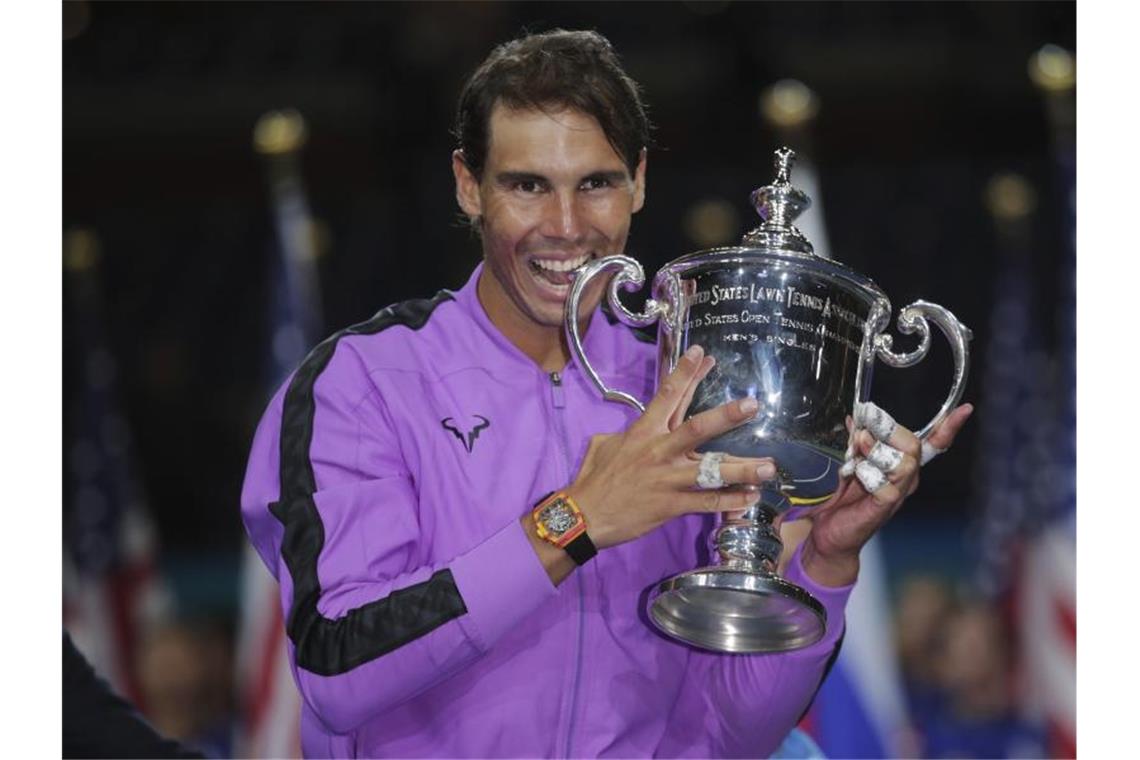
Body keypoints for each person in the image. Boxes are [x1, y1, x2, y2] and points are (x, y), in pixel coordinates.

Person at [241, 29, 973, 757]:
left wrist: (828, 563)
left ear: (640, 181)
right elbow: (338, 669)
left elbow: (734, 731)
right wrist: (577, 520)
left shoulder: (690, 383)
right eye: (527, 185)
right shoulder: (361, 384)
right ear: (469, 185)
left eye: (596, 183)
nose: (565, 228)